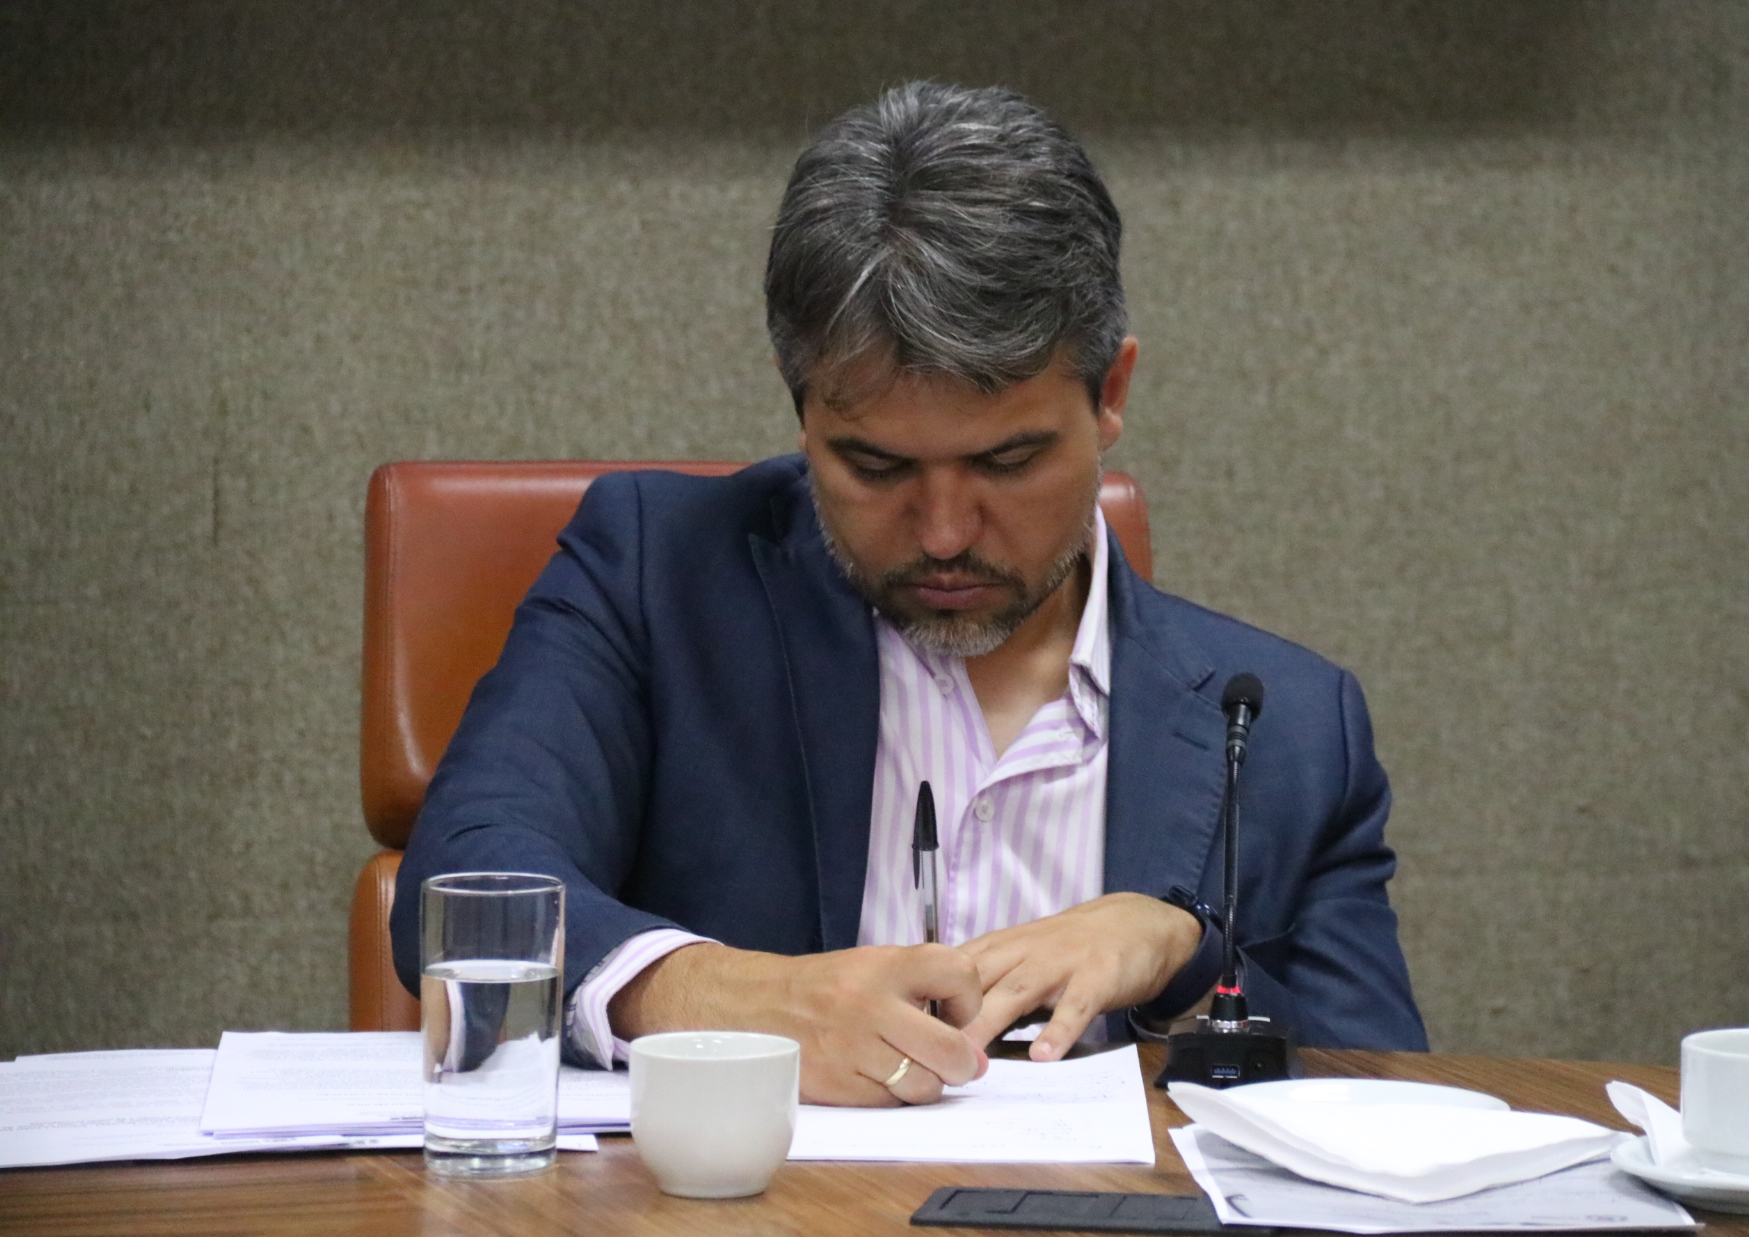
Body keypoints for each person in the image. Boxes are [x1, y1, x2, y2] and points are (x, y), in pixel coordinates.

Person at [392, 81, 1426, 1107]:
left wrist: (1188, 960)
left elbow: (1387, 1094)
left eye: (1008, 462)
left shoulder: (1288, 727)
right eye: (876, 467)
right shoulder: (656, 576)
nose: (943, 534)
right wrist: (730, 998)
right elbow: (471, 879)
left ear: (1110, 395)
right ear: (802, 411)